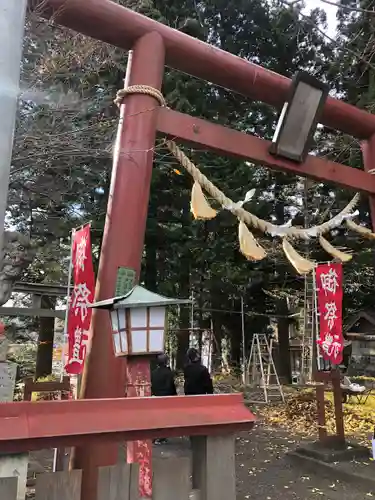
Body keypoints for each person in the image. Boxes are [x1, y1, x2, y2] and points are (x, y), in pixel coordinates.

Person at [151, 353, 177, 444]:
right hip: (166, 398)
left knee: (156, 418)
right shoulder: (169, 373)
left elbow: (152, 386)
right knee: (164, 418)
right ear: (166, 361)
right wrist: (174, 396)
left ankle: (154, 436)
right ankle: (161, 437)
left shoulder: (153, 373)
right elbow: (171, 386)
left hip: (156, 398)